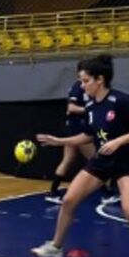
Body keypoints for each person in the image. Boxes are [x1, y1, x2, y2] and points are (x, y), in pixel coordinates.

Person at [31, 54, 129, 257]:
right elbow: (87, 136)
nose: (81, 86)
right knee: (69, 200)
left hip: (125, 164)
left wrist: (119, 141)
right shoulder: (91, 107)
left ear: (99, 80)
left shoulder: (122, 101)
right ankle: (56, 246)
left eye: (85, 81)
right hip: (101, 163)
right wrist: (58, 141)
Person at [47, 62, 120, 205]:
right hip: (77, 129)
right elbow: (71, 107)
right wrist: (90, 109)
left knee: (68, 160)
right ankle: (106, 194)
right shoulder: (78, 87)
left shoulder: (95, 90)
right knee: (96, 159)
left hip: (76, 128)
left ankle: (53, 192)